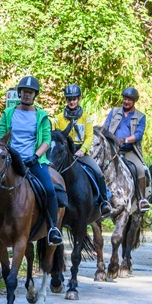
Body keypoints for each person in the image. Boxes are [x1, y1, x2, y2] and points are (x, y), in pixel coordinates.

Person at [0, 76, 63, 246]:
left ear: (34, 95)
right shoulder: (8, 113)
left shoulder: (42, 116)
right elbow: (2, 138)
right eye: (24, 92)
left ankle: (52, 229)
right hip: (10, 160)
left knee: (49, 189)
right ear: (19, 93)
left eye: (30, 92)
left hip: (34, 160)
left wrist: (35, 156)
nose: (26, 95)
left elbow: (45, 140)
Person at [55, 84, 112, 216]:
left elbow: (89, 136)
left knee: (98, 173)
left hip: (81, 152)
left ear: (79, 99)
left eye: (74, 99)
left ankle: (104, 202)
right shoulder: (58, 118)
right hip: (65, 152)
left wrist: (83, 150)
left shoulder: (86, 118)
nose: (72, 102)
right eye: (69, 99)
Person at [103, 87, 150, 212]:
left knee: (140, 169)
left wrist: (124, 140)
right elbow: (106, 127)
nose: (126, 102)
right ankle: (100, 199)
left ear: (134, 101)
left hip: (129, 151)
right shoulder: (114, 112)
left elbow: (139, 134)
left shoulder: (140, 117)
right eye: (125, 99)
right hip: (112, 150)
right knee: (99, 166)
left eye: (129, 100)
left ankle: (141, 199)